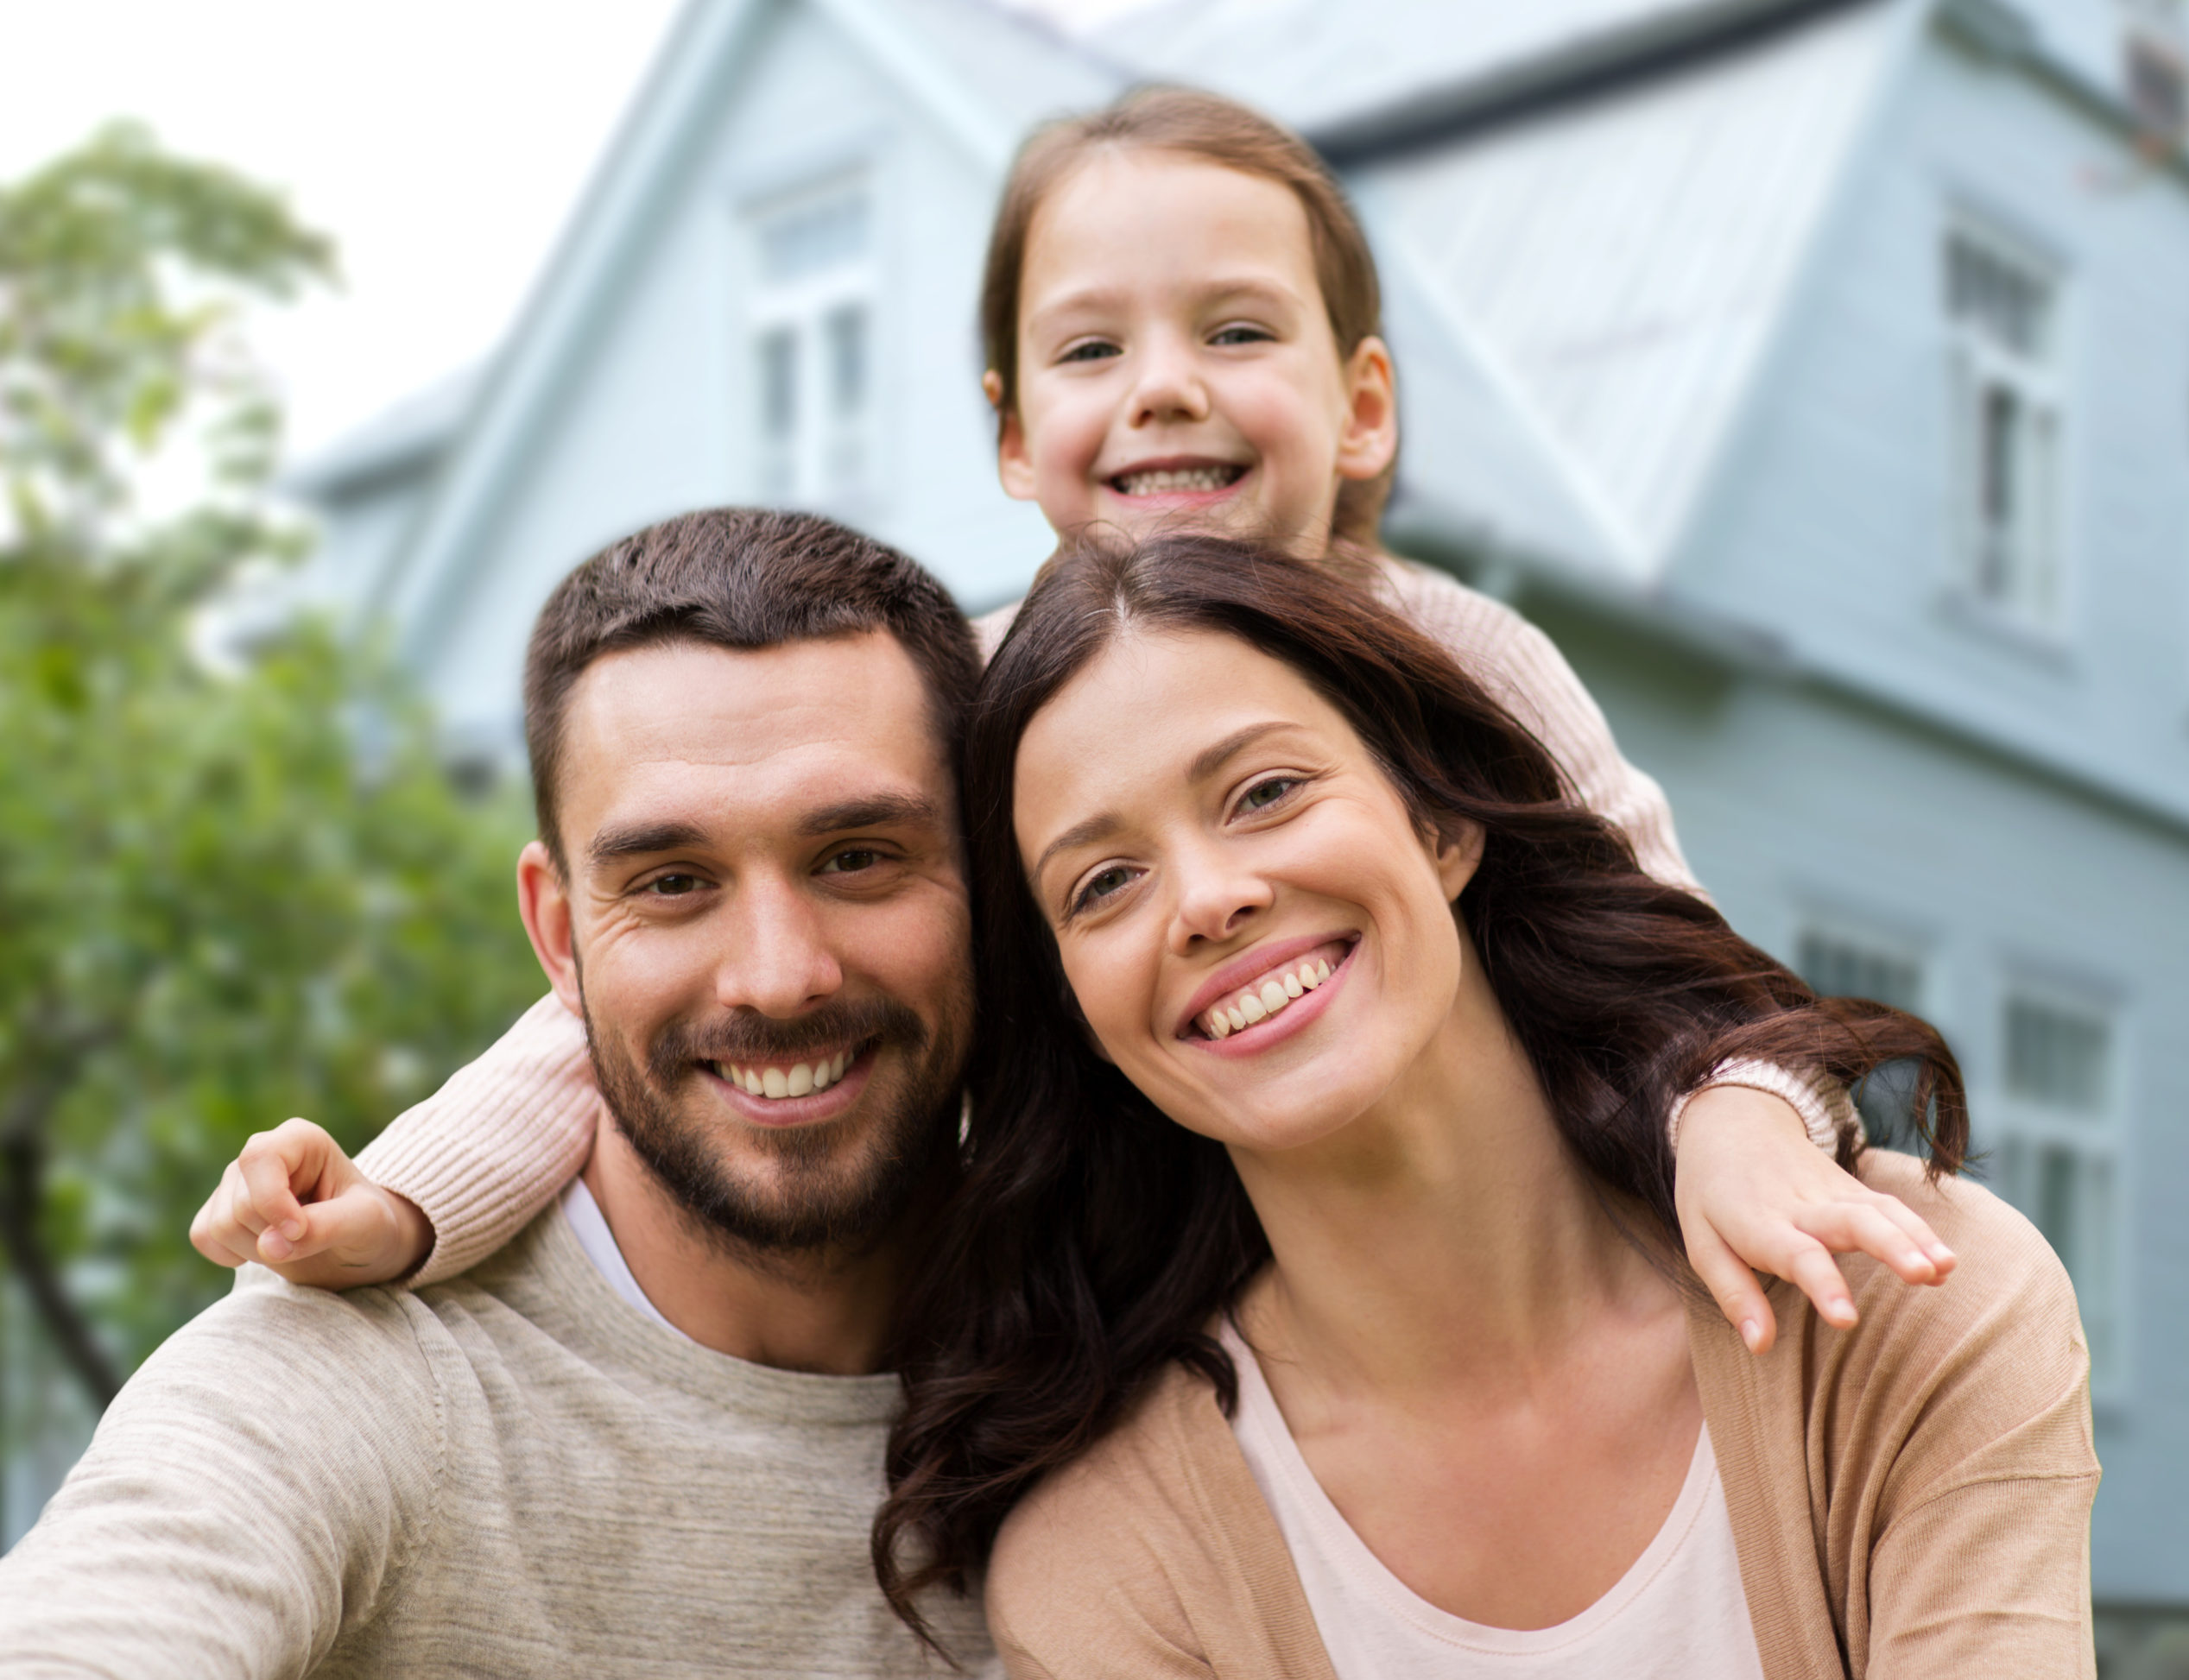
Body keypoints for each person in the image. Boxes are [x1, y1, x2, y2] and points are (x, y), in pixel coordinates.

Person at [194, 88, 1956, 1355]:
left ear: (1360, 405)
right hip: (1139, 1324)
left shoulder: (1461, 658)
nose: (1164, 387)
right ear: (1011, 434)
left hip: (1486, 1306)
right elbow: (619, 1004)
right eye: (1093, 350)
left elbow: (1681, 965)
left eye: (1235, 330)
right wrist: (407, 1203)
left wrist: (1742, 1118)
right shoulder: (978, 694)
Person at [877, 534, 2098, 1678]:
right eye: (1103, 883)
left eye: (1265, 791)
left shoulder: (1902, 1301)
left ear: (1443, 821)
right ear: (1078, 1010)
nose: (1205, 900)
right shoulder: (1114, 1568)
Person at [0, 510, 1001, 1677]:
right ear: (560, 937)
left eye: (857, 857)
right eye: (672, 882)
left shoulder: (1126, 1341)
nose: (778, 977)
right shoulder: (358, 1382)